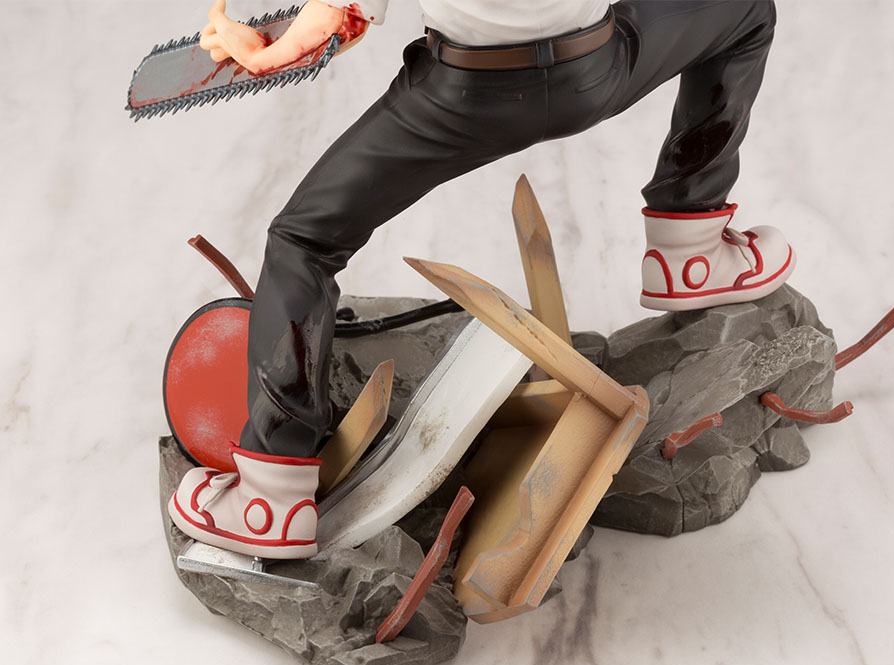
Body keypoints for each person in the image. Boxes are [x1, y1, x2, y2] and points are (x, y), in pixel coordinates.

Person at [167, 0, 794, 559]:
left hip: (468, 94)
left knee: (302, 241)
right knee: (745, 11)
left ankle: (271, 494)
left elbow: (326, 25)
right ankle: (689, 249)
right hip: (591, 71)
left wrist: (266, 46)